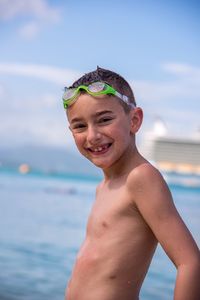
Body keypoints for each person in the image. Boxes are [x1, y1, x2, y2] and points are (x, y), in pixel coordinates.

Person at [62, 66, 200, 300]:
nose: (92, 135)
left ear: (134, 120)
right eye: (80, 126)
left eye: (104, 120)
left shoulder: (141, 178)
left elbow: (190, 262)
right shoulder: (104, 187)